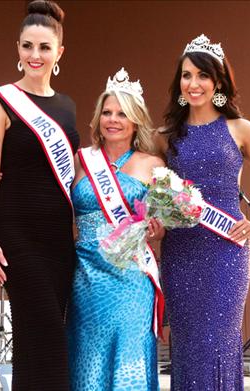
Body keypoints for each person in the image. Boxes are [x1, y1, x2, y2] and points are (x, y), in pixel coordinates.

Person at [156, 34, 250, 390]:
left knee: (218, 345)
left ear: (218, 81)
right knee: (188, 349)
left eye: (202, 76)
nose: (194, 84)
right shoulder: (165, 136)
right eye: (186, 75)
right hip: (180, 254)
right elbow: (131, 168)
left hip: (226, 253)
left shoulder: (240, 129)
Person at [0, 1, 79, 389]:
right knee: (48, 333)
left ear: (59, 53)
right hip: (17, 235)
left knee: (39, 343)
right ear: (17, 49)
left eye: (44, 47)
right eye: (27, 46)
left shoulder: (66, 106)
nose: (35, 55)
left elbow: (71, 177)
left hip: (58, 239)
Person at [67, 67, 166, 390]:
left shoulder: (153, 164)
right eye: (106, 112)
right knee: (88, 358)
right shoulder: (81, 161)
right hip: (85, 276)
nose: (113, 119)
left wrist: (155, 229)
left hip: (131, 278)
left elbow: (163, 227)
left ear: (135, 120)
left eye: (122, 113)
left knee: (129, 358)